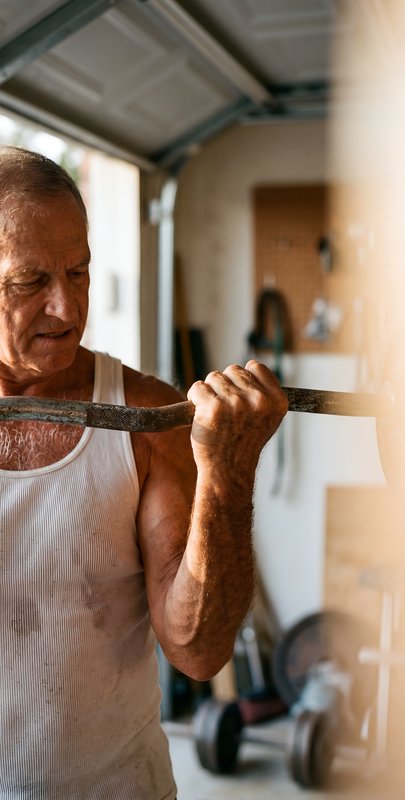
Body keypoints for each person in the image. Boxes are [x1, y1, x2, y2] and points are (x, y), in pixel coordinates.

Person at [0, 145, 288, 799]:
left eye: (79, 273)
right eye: (29, 283)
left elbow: (197, 649)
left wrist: (228, 473)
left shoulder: (149, 419)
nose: (67, 309)